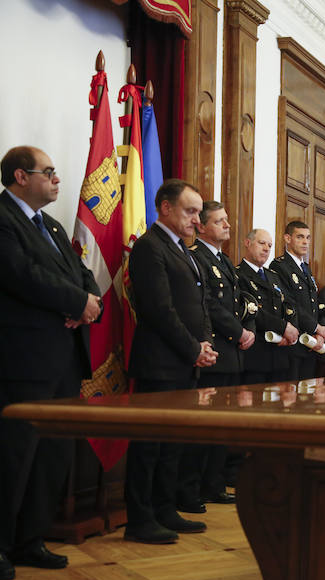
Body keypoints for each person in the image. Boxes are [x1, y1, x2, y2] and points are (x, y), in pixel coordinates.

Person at [0, 146, 102, 580]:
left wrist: (88, 301)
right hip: (19, 361)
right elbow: (20, 274)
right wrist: (77, 301)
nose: (58, 180)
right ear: (21, 176)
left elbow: (82, 274)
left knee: (51, 456)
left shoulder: (53, 227)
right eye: (49, 172)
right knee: (10, 457)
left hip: (62, 361)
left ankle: (30, 538)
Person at [125, 179, 216, 544]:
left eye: (198, 213)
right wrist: (193, 348)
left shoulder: (184, 250)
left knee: (171, 442)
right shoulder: (150, 247)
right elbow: (159, 310)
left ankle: (164, 509)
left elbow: (200, 304)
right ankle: (140, 519)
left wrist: (204, 344)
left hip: (185, 363)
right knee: (148, 444)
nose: (197, 219)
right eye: (190, 211)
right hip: (160, 364)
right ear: (165, 207)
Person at [178, 202, 256, 512]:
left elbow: (242, 302)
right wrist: (238, 333)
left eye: (227, 219)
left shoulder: (223, 260)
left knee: (221, 426)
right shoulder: (196, 258)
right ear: (202, 226)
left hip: (233, 354)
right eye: (220, 221)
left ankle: (213, 484)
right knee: (203, 427)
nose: (227, 225)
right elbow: (209, 305)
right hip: (214, 352)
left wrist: (246, 329)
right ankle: (191, 488)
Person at [236, 229, 299, 384]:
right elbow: (253, 310)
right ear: (247, 243)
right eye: (262, 243)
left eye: (270, 245)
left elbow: (289, 306)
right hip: (256, 357)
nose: (266, 249)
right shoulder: (238, 274)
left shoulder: (273, 276)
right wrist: (283, 327)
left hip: (280, 356)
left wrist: (290, 333)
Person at [271, 221, 325, 380]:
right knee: (292, 395)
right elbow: (289, 304)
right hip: (294, 344)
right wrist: (316, 327)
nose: (305, 242)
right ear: (287, 238)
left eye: (308, 238)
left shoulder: (306, 268)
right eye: (300, 237)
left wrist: (321, 331)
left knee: (307, 397)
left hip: (312, 343)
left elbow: (315, 303)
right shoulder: (279, 266)